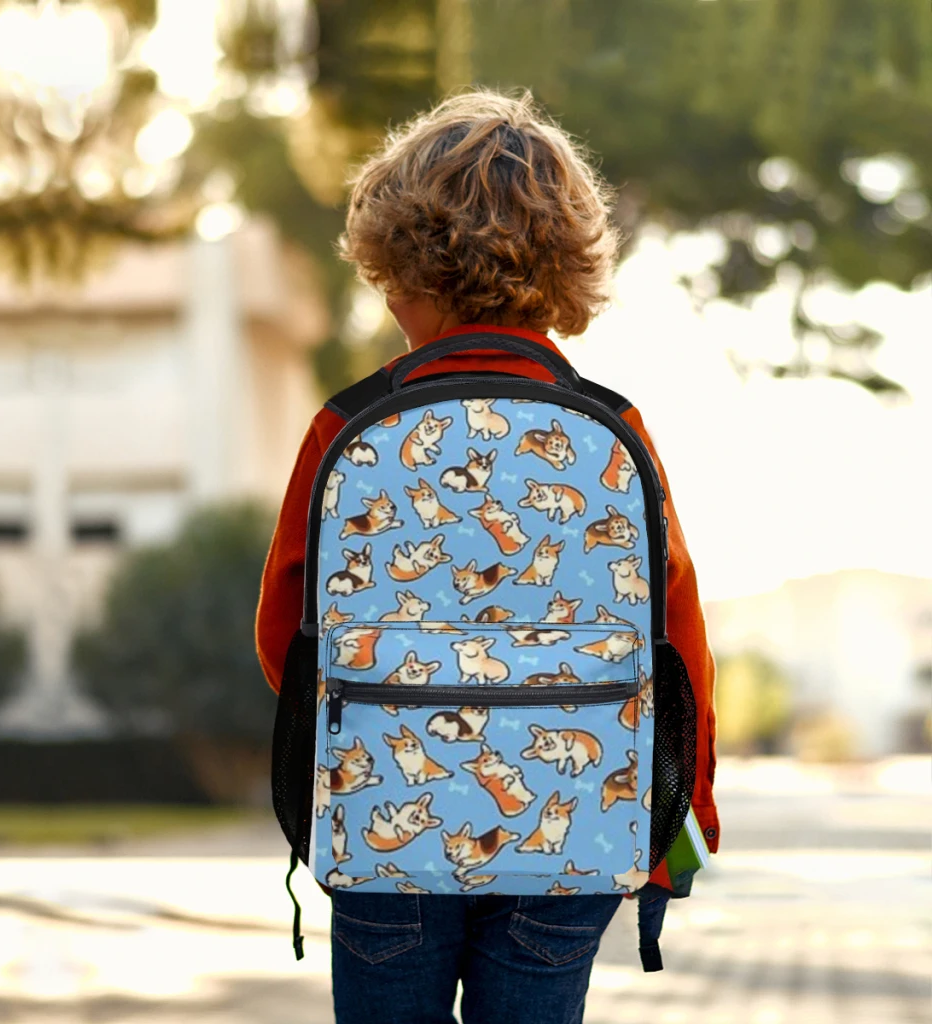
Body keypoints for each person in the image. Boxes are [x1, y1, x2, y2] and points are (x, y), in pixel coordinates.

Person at [256, 89, 718, 1024]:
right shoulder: (613, 429)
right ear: (567, 269)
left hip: (389, 831)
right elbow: (676, 639)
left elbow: (284, 635)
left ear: (401, 269)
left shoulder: (347, 427)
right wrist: (686, 811)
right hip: (574, 832)